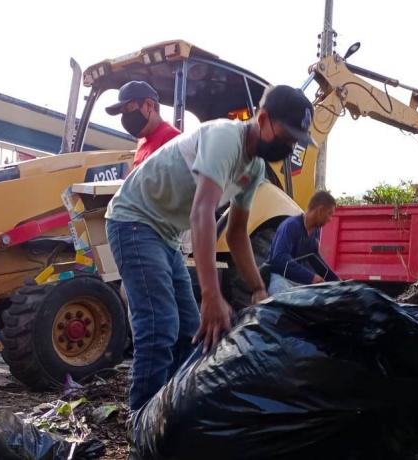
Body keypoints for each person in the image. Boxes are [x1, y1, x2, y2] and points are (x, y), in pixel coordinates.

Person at [104, 84, 316, 411]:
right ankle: (141, 419)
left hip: (166, 235)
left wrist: (259, 290)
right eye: (287, 136)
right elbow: (202, 211)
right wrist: (212, 294)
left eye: (295, 141)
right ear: (262, 119)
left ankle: (170, 413)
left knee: (191, 332)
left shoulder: (254, 168)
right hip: (133, 220)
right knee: (160, 327)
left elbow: (236, 234)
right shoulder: (224, 138)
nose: (290, 146)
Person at [265, 190, 340, 295]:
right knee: (283, 301)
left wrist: (338, 282)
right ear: (320, 210)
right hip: (280, 278)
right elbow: (279, 259)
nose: (330, 219)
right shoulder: (291, 226)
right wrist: (311, 277)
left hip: (298, 281)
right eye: (329, 214)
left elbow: (315, 259)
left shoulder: (315, 231)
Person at [105, 81, 181, 169]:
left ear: (149, 105)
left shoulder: (172, 139)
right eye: (122, 113)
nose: (125, 118)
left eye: (128, 109)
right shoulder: (142, 140)